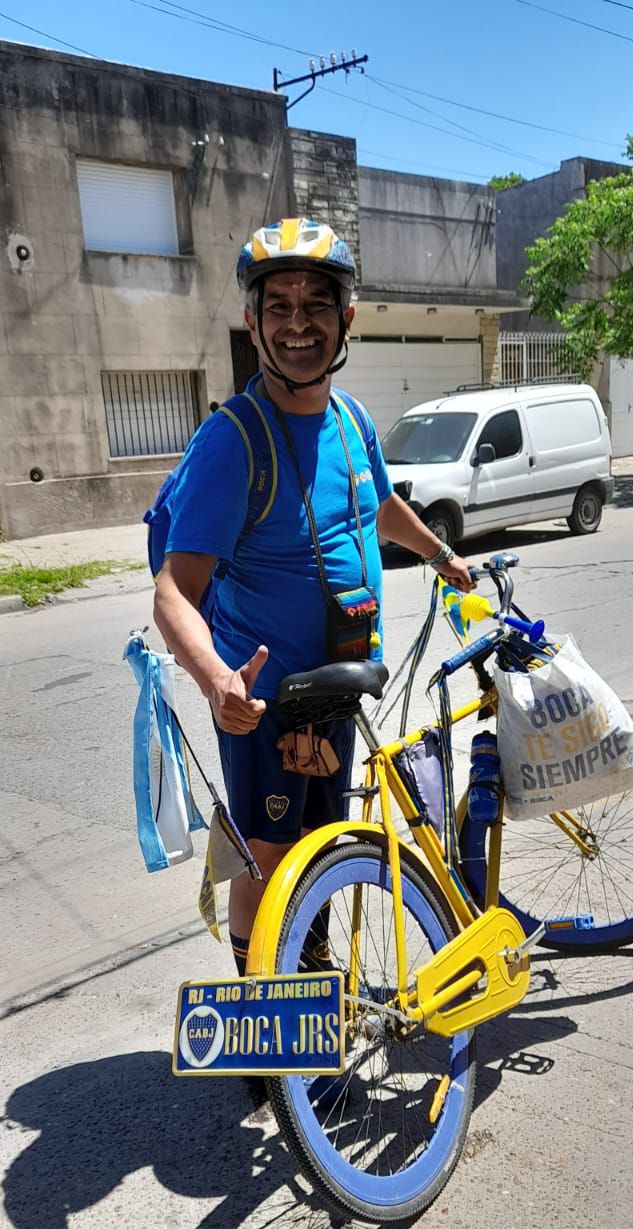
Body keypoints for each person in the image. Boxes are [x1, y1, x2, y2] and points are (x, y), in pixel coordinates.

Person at [154, 216, 475, 978]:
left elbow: (378, 504)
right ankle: (271, 1035)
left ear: (347, 319)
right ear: (253, 322)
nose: (298, 323)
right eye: (280, 306)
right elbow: (175, 590)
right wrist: (215, 680)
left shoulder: (351, 416)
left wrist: (439, 553)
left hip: (337, 690)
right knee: (268, 862)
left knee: (323, 850)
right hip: (264, 702)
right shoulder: (235, 439)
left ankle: (312, 1008)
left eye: (316, 304)